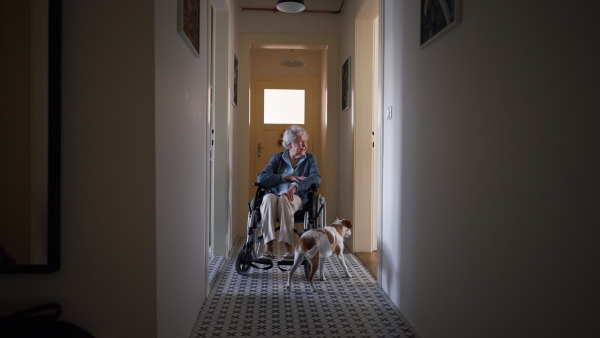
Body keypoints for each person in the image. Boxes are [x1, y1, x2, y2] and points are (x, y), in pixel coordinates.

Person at [257, 125, 321, 260]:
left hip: (296, 197)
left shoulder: (310, 159)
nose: (304, 145)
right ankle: (268, 248)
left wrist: (295, 186)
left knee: (285, 199)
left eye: (305, 141)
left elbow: (316, 178)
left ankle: (288, 249)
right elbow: (261, 177)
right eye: (300, 141)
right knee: (268, 198)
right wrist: (286, 177)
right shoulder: (277, 158)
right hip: (275, 196)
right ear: (289, 144)